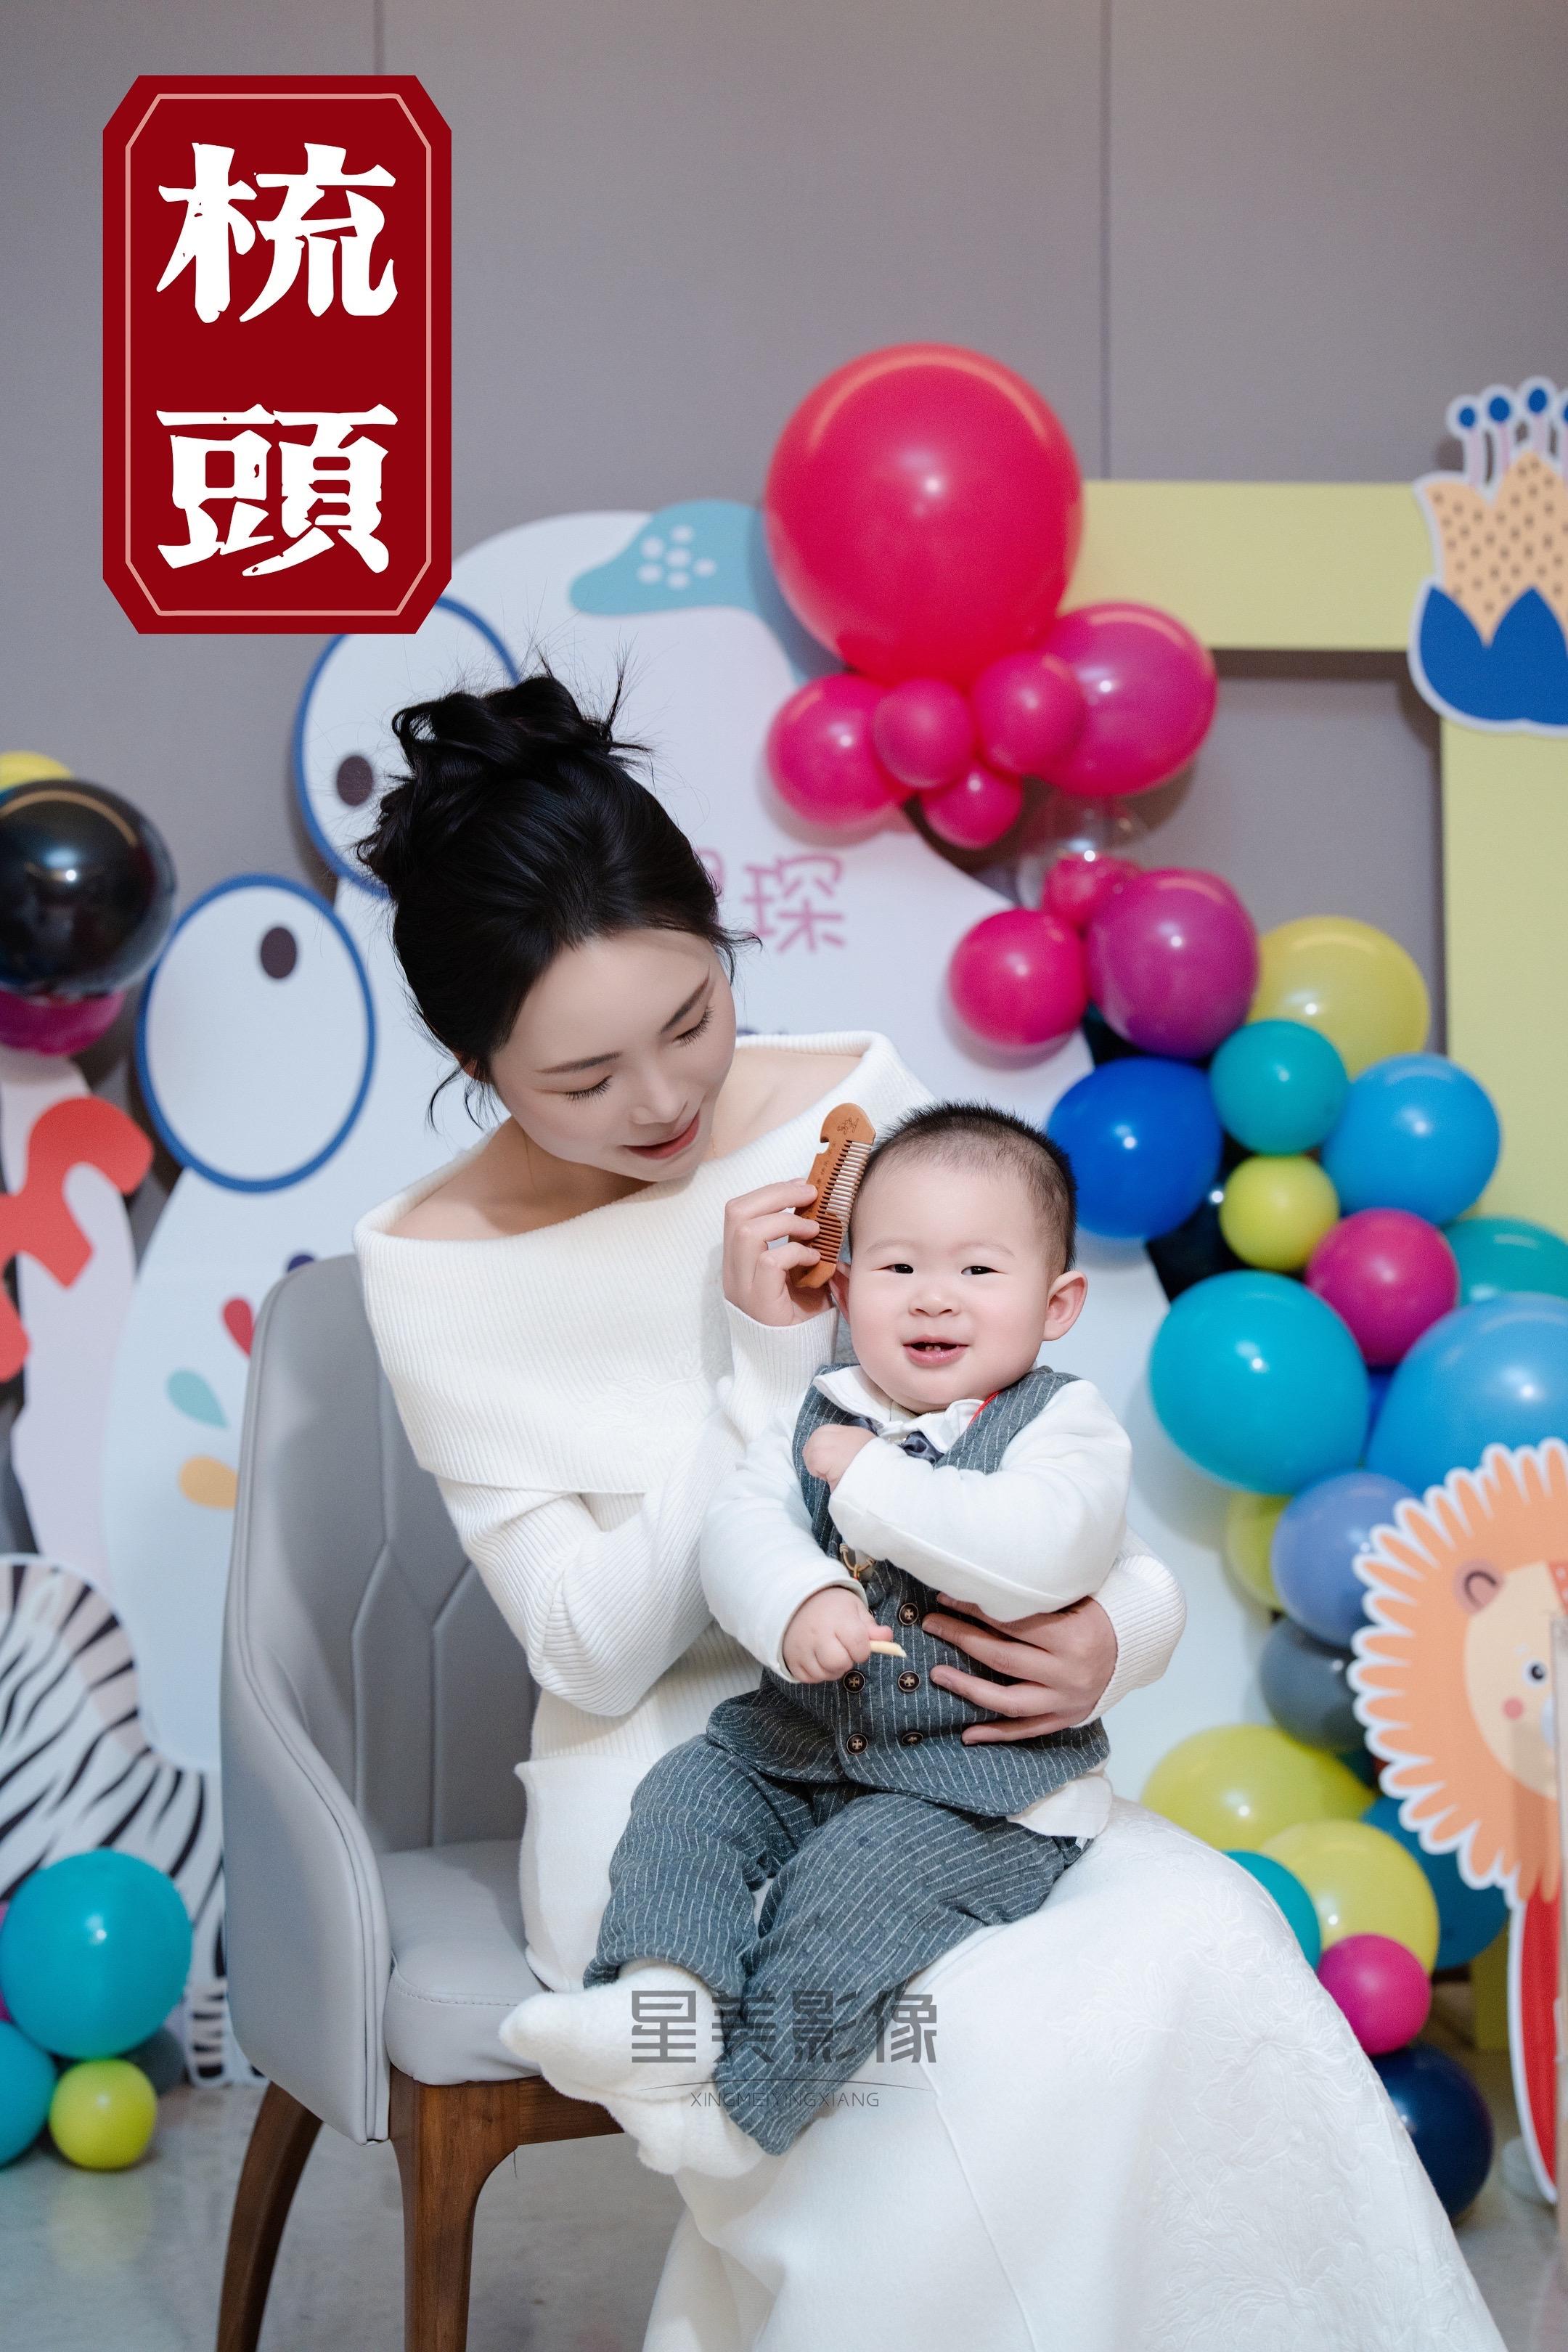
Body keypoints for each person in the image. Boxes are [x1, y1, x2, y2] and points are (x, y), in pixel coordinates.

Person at [354, 670, 1503, 2352]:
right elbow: (585, 1648)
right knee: (983, 2057)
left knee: (1208, 1950)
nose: (663, 1102)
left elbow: (1052, 1442)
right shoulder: (437, 1269)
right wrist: (757, 1375)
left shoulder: (854, 1106)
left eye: (692, 1018)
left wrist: (1119, 1635)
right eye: (582, 1079)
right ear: (478, 1063)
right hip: (682, 1788)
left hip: (954, 1748)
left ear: (720, 937)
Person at [505, 1101, 1138, 2175]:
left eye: (980, 1271)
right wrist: (798, 1600)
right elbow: (740, 1530)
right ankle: (663, 2003)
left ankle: (743, 2116)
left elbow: (1042, 1548)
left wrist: (873, 1482)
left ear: (1057, 1302)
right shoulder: (820, 1411)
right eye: (898, 1268)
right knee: (686, 1797)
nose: (934, 1295)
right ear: (842, 1293)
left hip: (981, 1794)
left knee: (853, 1888)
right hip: (804, 1748)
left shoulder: (1062, 1427)